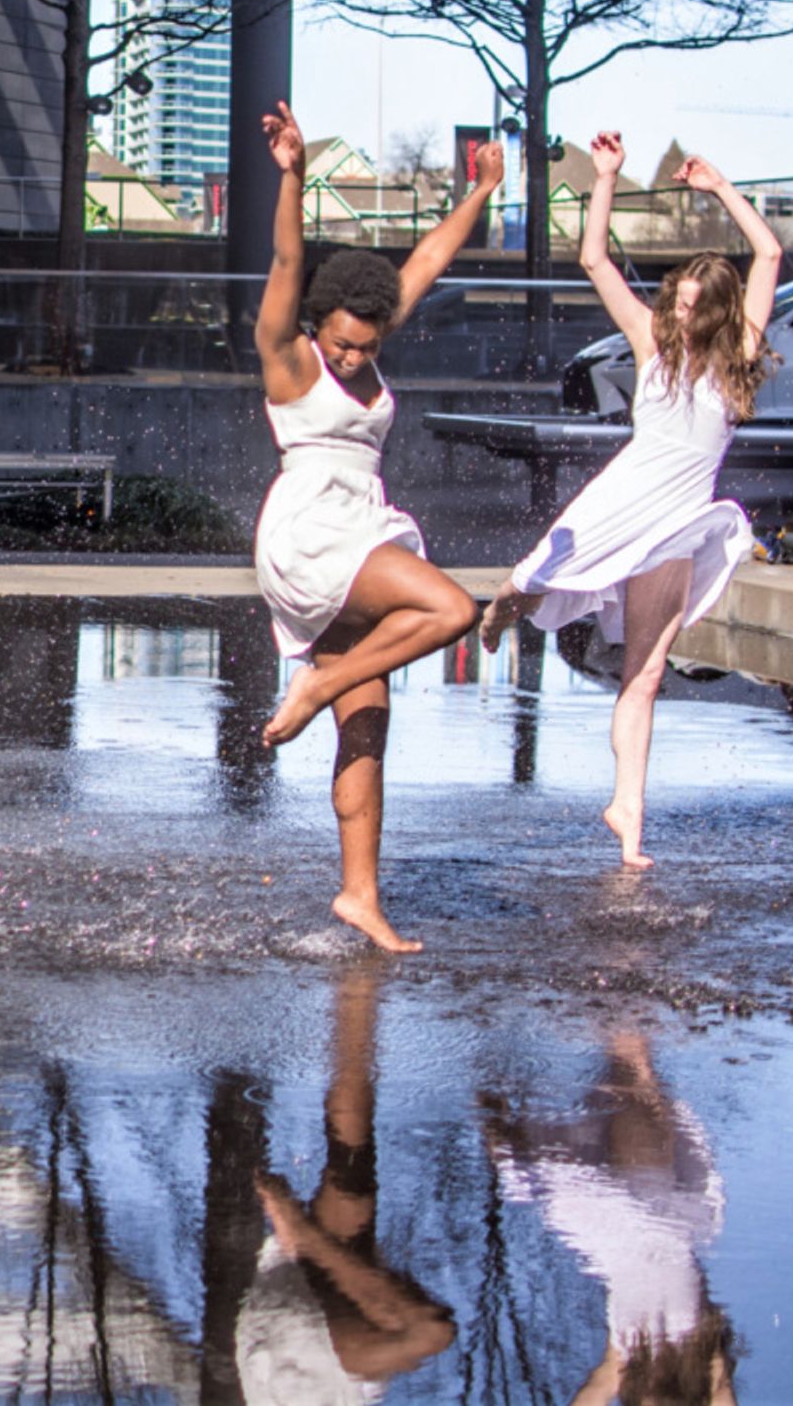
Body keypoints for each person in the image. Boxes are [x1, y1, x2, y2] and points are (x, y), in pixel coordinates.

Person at [480, 130, 782, 869]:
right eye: (674, 302)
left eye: (690, 308)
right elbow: (593, 261)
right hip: (625, 496)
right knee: (530, 582)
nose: (677, 314)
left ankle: (628, 816)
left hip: (679, 524)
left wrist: (722, 189)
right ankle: (498, 608)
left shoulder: (737, 354)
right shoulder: (651, 343)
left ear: (714, 312)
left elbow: (768, 254)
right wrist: (606, 178)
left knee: (645, 673)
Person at [253, 101, 503, 953]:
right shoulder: (291, 359)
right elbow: (287, 258)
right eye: (343, 342)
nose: (354, 356)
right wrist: (290, 173)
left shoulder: (373, 334)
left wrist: (482, 192)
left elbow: (425, 259)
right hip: (313, 529)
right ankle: (315, 684)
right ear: (319, 325)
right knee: (450, 610)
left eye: (366, 344)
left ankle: (360, 895)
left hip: (361, 523)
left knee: (369, 724)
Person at [483, 1030, 739, 1406]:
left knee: (507, 1138)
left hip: (607, 1227)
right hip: (665, 1211)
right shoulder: (707, 1359)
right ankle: (623, 1001)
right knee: (633, 1075)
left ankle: (494, 1040)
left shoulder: (623, 1359)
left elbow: (592, 1397)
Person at [237, 965, 455, 1399]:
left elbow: (434, 1332)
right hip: (274, 1345)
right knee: (350, 1176)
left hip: (309, 1365)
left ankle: (303, 1237)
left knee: (428, 1331)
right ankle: (358, 987)